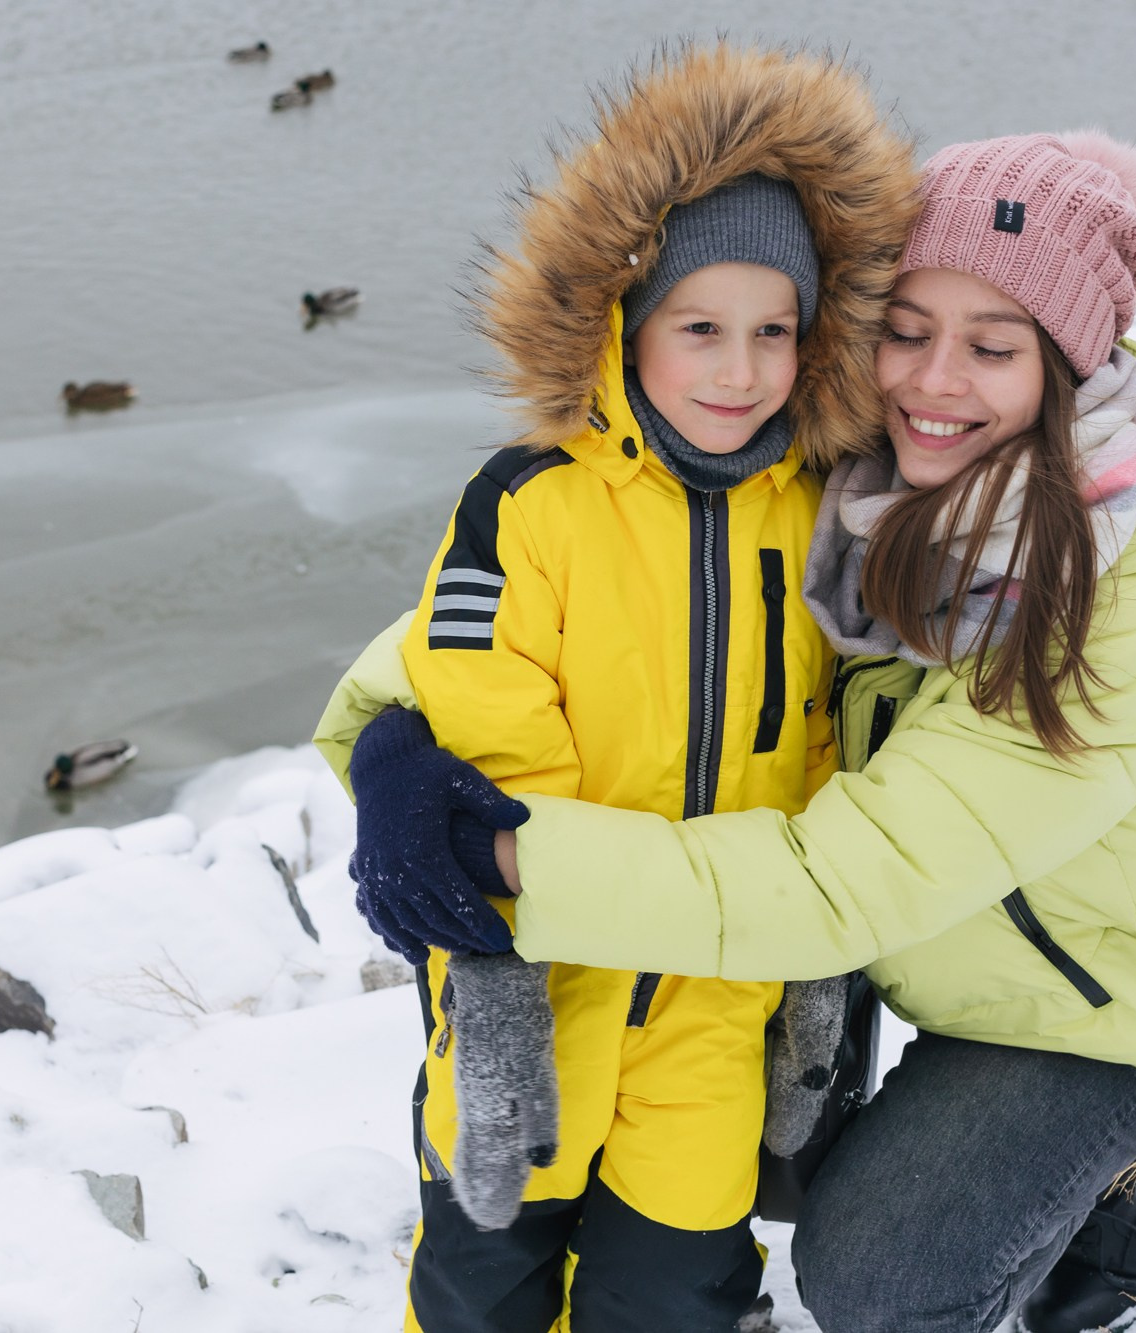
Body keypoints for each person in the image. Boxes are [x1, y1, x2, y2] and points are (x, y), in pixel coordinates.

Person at [321, 130, 1136, 1333]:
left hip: (1099, 998)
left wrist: (499, 855)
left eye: (992, 347)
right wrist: (389, 740)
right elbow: (573, 604)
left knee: (877, 1282)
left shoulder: (1109, 619)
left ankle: (1105, 1167)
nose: (934, 382)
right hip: (935, 940)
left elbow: (834, 888)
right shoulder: (854, 481)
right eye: (905, 329)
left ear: (1069, 368)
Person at [315, 44, 918, 1333]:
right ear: (621, 322)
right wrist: (494, 961)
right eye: (699, 329)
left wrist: (815, 971)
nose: (737, 370)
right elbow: (481, 706)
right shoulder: (530, 499)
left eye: (771, 332)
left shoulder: (820, 510)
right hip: (538, 984)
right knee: (482, 1272)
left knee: (677, 1278)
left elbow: (834, 737)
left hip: (717, 992)